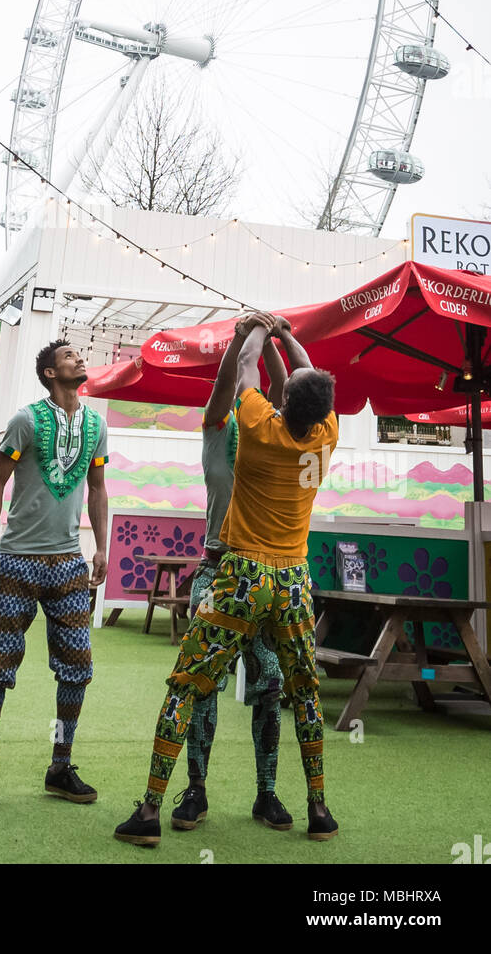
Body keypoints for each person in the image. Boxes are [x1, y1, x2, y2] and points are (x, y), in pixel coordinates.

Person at [114, 315, 339, 847]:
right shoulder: (326, 433)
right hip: (293, 580)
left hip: (239, 573)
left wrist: (255, 332)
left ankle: (149, 810)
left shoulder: (259, 426)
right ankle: (319, 809)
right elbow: (296, 379)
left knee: (186, 686)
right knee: (304, 691)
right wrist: (286, 337)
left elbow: (245, 371)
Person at [0, 341, 108, 809]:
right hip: (18, 561)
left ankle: (60, 768)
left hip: (69, 563)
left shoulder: (97, 425)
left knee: (78, 670)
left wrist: (101, 546)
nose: (79, 358)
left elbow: (97, 488)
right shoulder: (25, 420)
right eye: (69, 356)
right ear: (50, 372)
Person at [171, 312, 292, 835]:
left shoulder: (277, 436)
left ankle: (267, 794)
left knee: (271, 683)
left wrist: (269, 341)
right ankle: (196, 790)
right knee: (202, 685)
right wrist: (243, 338)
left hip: (265, 576)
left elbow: (287, 390)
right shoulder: (219, 433)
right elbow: (225, 385)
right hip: (218, 571)